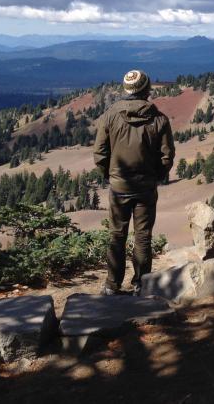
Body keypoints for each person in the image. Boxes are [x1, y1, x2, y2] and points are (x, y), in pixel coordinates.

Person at [93, 69, 175, 295]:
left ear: (126, 89)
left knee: (117, 235)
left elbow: (99, 153)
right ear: (147, 89)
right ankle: (141, 283)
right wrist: (156, 176)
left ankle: (112, 284)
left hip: (120, 186)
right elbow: (167, 156)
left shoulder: (110, 116)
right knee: (143, 236)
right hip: (146, 187)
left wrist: (110, 175)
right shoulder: (159, 119)